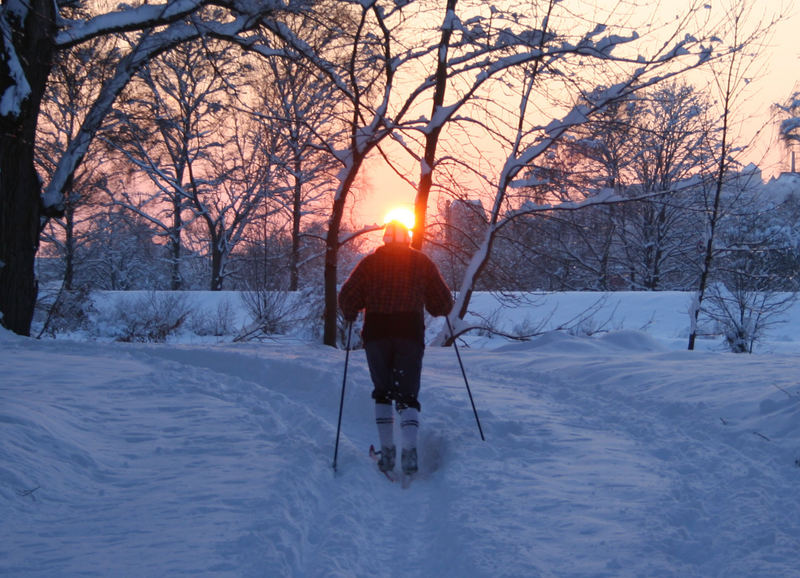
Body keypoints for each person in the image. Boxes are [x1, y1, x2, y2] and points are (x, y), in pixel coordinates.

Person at [338, 220, 453, 475]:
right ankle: (409, 454)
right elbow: (442, 303)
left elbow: (347, 296)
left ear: (386, 240)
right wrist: (440, 305)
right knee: (408, 395)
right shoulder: (421, 263)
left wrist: (350, 313)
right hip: (409, 334)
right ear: (407, 240)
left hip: (377, 334)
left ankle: (387, 454)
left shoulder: (370, 264)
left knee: (383, 391)